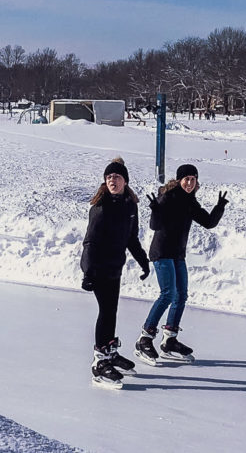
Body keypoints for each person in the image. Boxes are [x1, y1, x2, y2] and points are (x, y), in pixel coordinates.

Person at [135, 164, 228, 365]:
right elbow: (155, 226)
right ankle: (145, 338)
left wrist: (219, 206)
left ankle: (169, 340)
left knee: (181, 295)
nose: (189, 183)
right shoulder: (168, 196)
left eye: (193, 179)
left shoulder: (190, 201)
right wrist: (155, 210)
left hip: (177, 254)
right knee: (167, 294)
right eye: (186, 179)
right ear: (179, 180)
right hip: (162, 253)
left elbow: (209, 222)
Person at [80, 157, 150, 389]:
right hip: (99, 268)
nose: (112, 180)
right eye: (109, 177)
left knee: (112, 310)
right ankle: (99, 361)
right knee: (106, 311)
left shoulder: (130, 205)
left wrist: (143, 261)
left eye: (116, 177)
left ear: (125, 181)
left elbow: (131, 238)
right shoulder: (100, 207)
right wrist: (88, 272)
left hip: (115, 267)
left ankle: (109, 351)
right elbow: (90, 242)